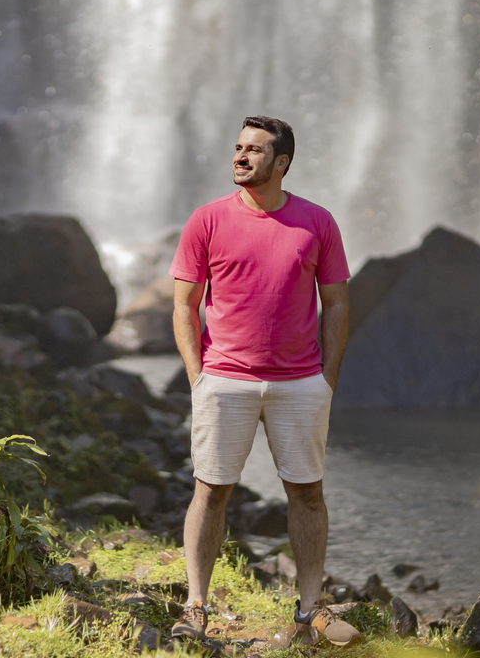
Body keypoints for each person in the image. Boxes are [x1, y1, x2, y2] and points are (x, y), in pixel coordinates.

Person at [168, 115, 361, 647]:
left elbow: (337, 302)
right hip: (223, 378)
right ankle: (195, 605)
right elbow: (184, 305)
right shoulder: (206, 220)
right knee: (211, 491)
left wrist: (328, 378)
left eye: (253, 149)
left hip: (300, 383)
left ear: (282, 163)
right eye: (237, 147)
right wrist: (196, 377)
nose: (240, 156)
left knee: (307, 494)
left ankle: (309, 610)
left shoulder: (317, 222)